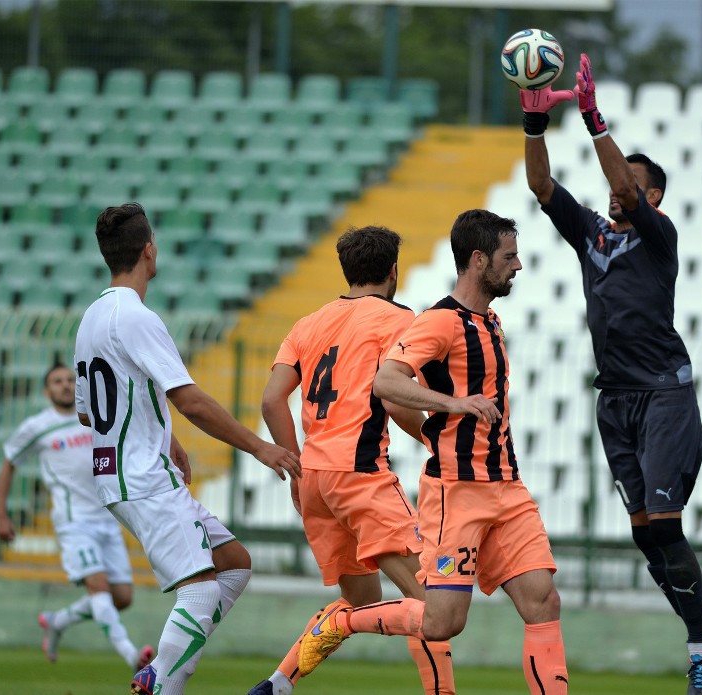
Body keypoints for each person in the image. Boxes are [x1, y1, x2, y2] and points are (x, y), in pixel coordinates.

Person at [518, 53, 702, 695]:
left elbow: (628, 190)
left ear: (653, 195)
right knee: (644, 534)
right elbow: (542, 188)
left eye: (630, 182)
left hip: (664, 395)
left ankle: (699, 644)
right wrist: (535, 129)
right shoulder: (593, 235)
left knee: (663, 526)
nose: (615, 187)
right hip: (614, 401)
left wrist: (591, 118)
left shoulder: (658, 232)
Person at [294, 209, 569, 695]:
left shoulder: (490, 322)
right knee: (442, 622)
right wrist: (453, 405)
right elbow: (385, 382)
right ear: (479, 260)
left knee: (543, 601)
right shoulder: (439, 322)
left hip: (507, 486)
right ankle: (342, 623)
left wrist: (442, 424)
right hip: (456, 493)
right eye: (510, 256)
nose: (519, 265)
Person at [73, 202, 301, 695]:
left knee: (235, 563)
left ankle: (161, 677)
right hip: (142, 477)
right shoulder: (136, 317)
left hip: (118, 472)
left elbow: (89, 412)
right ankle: (160, 685)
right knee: (198, 593)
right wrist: (261, 448)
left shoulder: (91, 318)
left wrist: (164, 435)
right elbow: (191, 401)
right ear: (149, 251)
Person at [248, 226, 455, 695]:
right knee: (432, 600)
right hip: (359, 474)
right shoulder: (398, 320)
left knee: (360, 598)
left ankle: (279, 682)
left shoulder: (308, 323)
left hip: (315, 480)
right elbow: (399, 401)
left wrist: (294, 468)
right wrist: (431, 438)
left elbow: (271, 401)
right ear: (393, 271)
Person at [0, 363, 154, 673]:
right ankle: (132, 655)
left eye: (70, 380)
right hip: (73, 521)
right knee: (98, 588)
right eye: (57, 381)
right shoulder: (37, 426)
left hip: (107, 516)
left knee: (121, 597)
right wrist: (1, 514)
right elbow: (9, 461)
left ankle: (57, 621)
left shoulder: (95, 418)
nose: (65, 385)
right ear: (47, 390)